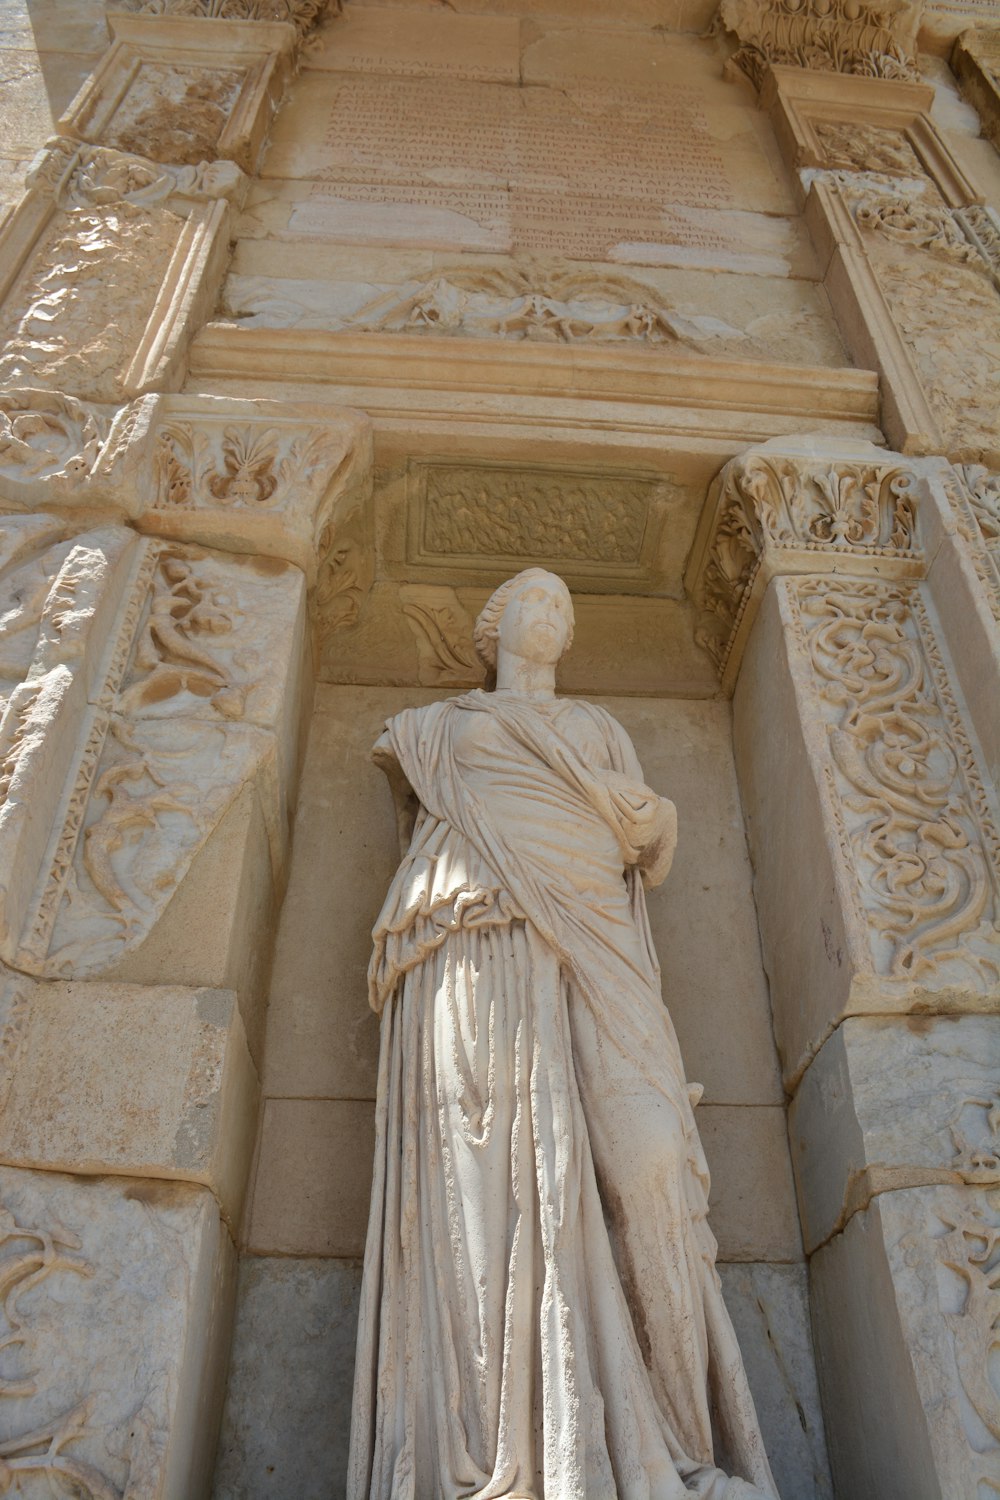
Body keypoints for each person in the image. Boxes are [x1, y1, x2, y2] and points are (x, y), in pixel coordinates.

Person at [347, 568, 779, 1500]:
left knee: (652, 1161)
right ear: (493, 625)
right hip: (473, 940)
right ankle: (503, 1449)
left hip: (599, 945)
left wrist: (652, 819)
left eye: (564, 607)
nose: (549, 616)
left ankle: (674, 1448)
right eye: (531, 602)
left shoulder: (597, 732)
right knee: (489, 1180)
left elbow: (641, 848)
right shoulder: (436, 729)